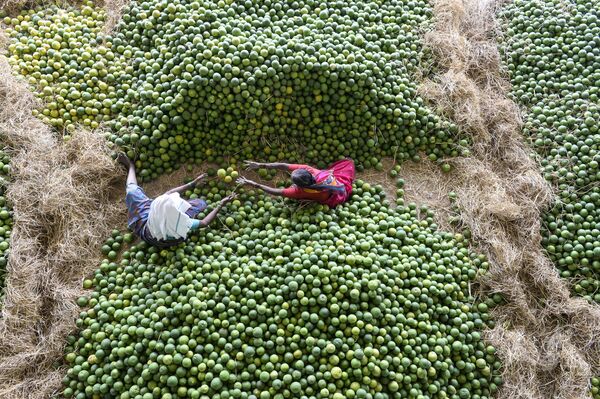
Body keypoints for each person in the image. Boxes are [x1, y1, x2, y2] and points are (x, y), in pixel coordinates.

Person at [117, 154, 236, 247]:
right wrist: (221, 204)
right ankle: (131, 166)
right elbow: (204, 223)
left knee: (132, 191)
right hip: (166, 240)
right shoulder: (182, 221)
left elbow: (168, 194)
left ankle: (131, 167)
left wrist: (192, 184)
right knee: (201, 203)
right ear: (178, 212)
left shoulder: (157, 205)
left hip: (149, 232)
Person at [236, 158, 355, 208]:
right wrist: (260, 165)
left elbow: (277, 192)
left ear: (301, 186)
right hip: (340, 186)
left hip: (334, 200)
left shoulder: (298, 192)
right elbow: (284, 166)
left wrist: (252, 183)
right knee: (347, 162)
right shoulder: (310, 170)